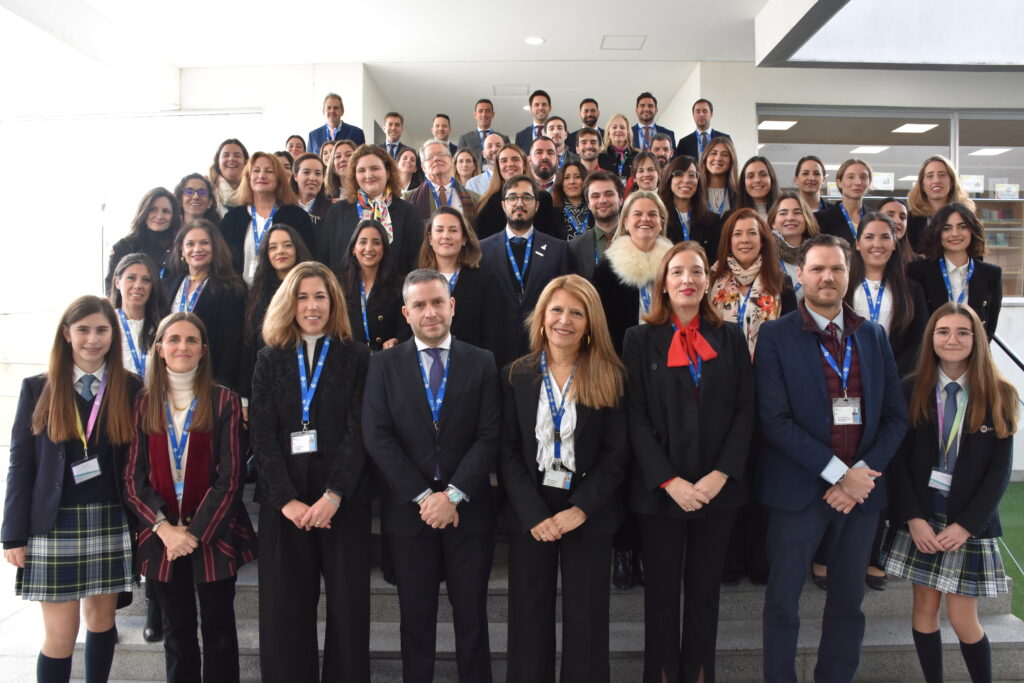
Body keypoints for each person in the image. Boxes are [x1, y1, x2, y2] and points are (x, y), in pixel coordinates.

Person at [756, 233, 907, 683]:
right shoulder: (775, 335)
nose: (827, 277)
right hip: (797, 494)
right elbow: (775, 420)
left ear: (849, 274)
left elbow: (895, 417)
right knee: (782, 602)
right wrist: (839, 474)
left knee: (848, 603)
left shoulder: (873, 335)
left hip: (861, 497)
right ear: (799, 275)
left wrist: (860, 475)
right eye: (817, 269)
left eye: (837, 269)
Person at [623, 242, 755, 683]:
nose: (687, 279)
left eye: (696, 271)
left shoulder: (731, 337)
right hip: (662, 493)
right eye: (677, 271)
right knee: (661, 596)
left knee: (704, 596)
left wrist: (721, 474)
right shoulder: (638, 339)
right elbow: (634, 416)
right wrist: (668, 480)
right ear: (663, 281)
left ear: (708, 281)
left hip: (717, 490)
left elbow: (745, 410)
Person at [362, 269, 501, 683]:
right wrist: (425, 498)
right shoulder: (384, 365)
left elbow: (490, 434)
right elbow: (377, 436)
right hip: (410, 516)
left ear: (452, 306)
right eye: (420, 305)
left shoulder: (483, 361)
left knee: (473, 618)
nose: (430, 312)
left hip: (469, 514)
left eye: (438, 302)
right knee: (416, 621)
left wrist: (452, 495)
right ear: (406, 313)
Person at [3, 295, 140, 683]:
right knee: (60, 636)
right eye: (83, 330)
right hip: (54, 524)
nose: (92, 339)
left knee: (101, 622)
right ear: (66, 334)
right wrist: (12, 534)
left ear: (113, 335)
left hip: (110, 519)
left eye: (101, 330)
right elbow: (21, 465)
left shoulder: (130, 388)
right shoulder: (38, 388)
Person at [500, 275, 627, 683]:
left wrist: (581, 509)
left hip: (588, 512)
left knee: (587, 619)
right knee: (528, 616)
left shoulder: (610, 375)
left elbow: (617, 456)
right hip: (531, 513)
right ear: (541, 317)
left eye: (577, 312)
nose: (565, 320)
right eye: (556, 310)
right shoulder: (516, 375)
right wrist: (534, 514)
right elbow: (507, 452)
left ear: (590, 323)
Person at [883, 303, 1017, 683]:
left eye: (962, 332)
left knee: (962, 618)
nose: (952, 339)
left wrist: (966, 526)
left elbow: (999, 472)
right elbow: (898, 462)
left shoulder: (999, 393)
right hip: (922, 516)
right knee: (924, 608)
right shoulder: (910, 389)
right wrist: (912, 518)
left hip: (966, 520)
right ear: (931, 339)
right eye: (943, 331)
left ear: (976, 339)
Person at [251, 261, 371, 682]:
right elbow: (262, 436)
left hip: (343, 503)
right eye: (302, 296)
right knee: (284, 614)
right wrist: (285, 500)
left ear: (334, 301)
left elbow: (361, 431)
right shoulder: (269, 359)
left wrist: (334, 495)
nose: (312, 305)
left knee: (349, 611)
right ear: (289, 302)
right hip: (285, 507)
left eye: (320, 295)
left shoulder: (357, 357)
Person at [124, 312, 256, 683]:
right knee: (177, 634)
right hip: (161, 538)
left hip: (213, 534)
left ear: (203, 350)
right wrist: (166, 530)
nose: (182, 346)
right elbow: (133, 479)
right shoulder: (143, 403)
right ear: (160, 349)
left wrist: (193, 533)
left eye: (192, 340)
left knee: (219, 632)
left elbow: (231, 477)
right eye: (174, 339)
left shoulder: (224, 400)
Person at [479, 175, 571, 368]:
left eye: (527, 198)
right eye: (512, 197)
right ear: (503, 205)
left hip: (543, 349)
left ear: (536, 205)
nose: (519, 203)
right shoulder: (482, 251)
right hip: (496, 352)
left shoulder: (558, 249)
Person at [316, 144, 424, 276]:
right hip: (346, 293)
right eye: (361, 170)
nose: (369, 175)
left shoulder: (408, 212)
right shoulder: (338, 211)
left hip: (395, 293)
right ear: (354, 175)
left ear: (388, 172)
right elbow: (324, 257)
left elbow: (416, 261)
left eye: (375, 168)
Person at [164, 220, 247, 390]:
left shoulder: (231, 288)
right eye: (190, 244)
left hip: (209, 378)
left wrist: (223, 382)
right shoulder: (167, 285)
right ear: (182, 249)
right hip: (167, 377)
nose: (197, 249)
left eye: (204, 243)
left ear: (215, 247)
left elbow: (232, 341)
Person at [238, 224, 313, 405]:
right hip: (267, 382)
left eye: (287, 245)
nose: (280, 251)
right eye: (273, 247)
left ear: (297, 249)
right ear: (266, 254)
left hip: (307, 378)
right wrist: (244, 397)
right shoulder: (257, 293)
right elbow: (250, 344)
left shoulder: (313, 286)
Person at [592, 191, 673, 356]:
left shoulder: (674, 264)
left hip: (669, 353)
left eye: (652, 214)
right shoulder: (607, 267)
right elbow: (597, 323)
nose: (645, 219)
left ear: (661, 222)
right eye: (638, 214)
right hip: (622, 356)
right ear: (626, 222)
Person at [848, 212, 929, 377]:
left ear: (894, 243)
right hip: (849, 379)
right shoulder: (842, 288)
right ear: (857, 244)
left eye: (885, 237)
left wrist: (891, 373)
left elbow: (918, 342)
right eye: (869, 237)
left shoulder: (912, 291)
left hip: (896, 380)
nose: (877, 244)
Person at [708, 208, 795, 357]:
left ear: (762, 241)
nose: (745, 240)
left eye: (752, 233)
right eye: (737, 234)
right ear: (729, 242)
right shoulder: (713, 281)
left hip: (767, 370)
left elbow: (790, 336)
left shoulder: (781, 282)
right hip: (722, 370)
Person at [908, 203, 1002, 339]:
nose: (955, 233)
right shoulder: (917, 271)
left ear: (972, 230)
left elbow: (989, 327)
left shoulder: (991, 274)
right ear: (937, 232)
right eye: (947, 228)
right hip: (928, 354)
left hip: (974, 355)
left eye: (962, 227)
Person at [219, 151, 315, 285]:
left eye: (269, 171)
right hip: (239, 299)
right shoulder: (232, 219)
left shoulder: (297, 217)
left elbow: (306, 261)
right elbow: (222, 264)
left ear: (279, 178)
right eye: (256, 171)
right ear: (248, 177)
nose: (261, 175)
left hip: (283, 295)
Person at [418, 206, 503, 354]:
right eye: (439, 230)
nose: (446, 236)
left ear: (464, 238)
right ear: (430, 238)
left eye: (453, 230)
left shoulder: (486, 282)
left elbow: (493, 337)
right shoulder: (416, 282)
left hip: (471, 368)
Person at [340, 219, 411, 352]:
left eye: (376, 243)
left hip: (386, 360)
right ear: (353, 249)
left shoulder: (400, 285)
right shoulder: (338, 285)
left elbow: (406, 330)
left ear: (384, 249)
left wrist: (397, 341)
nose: (369, 248)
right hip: (350, 361)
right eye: (363, 242)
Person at [475, 144, 563, 241]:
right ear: (498, 168)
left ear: (524, 165)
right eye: (504, 160)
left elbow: (551, 238)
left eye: (515, 159)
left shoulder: (543, 198)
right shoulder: (487, 203)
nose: (510, 164)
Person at [106, 187, 181, 292]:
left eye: (166, 211)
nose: (159, 216)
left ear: (173, 216)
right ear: (144, 211)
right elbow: (111, 289)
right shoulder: (123, 247)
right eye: (152, 209)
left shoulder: (181, 248)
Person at [110, 253, 167, 380]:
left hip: (156, 398)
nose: (138, 285)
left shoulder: (163, 325)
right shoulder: (106, 323)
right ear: (117, 282)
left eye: (146, 280)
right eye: (131, 278)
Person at [906, 155, 976, 252]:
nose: (936, 180)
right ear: (922, 184)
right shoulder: (910, 219)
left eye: (942, 175)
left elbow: (976, 252)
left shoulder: (967, 216)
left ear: (951, 182)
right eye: (930, 176)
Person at [659, 155, 723, 258]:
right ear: (669, 179)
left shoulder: (713, 221)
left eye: (692, 175)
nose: (686, 180)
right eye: (679, 174)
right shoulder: (659, 219)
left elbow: (714, 259)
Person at [404, 139, 480, 226]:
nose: (436, 159)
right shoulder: (408, 199)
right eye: (430, 157)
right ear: (423, 167)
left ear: (451, 160)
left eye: (441, 154)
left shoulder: (475, 199)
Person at [570, 171, 624, 280]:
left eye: (609, 194)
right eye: (595, 196)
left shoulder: (638, 241)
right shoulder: (573, 248)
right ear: (589, 204)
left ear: (621, 200)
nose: (602, 200)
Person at [769, 191, 820, 299]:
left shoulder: (820, 254)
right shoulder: (765, 256)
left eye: (797, 212)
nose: (790, 218)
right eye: (783, 213)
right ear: (773, 223)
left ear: (806, 218)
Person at [814, 158, 872, 247]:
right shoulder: (821, 219)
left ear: (869, 183)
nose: (858, 182)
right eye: (851, 177)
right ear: (839, 182)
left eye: (863, 177)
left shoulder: (875, 217)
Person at [456, 98, 509, 165]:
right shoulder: (465, 139)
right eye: (480, 111)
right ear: (475, 115)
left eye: (487, 111)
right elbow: (459, 162)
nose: (484, 114)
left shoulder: (503, 138)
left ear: (493, 114)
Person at [551, 160, 590, 241]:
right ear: (561, 182)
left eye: (577, 177)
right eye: (567, 177)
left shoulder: (594, 209)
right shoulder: (552, 213)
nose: (572, 181)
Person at [700, 136, 739, 217]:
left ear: (731, 160)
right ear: (705, 158)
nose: (718, 158)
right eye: (713, 153)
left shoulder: (740, 192)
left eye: (724, 155)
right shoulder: (696, 191)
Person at [208, 139, 249, 215]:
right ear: (218, 162)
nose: (231, 159)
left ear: (246, 162)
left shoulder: (254, 193)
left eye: (237, 156)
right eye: (226, 155)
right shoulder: (208, 191)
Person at [290, 153, 331, 224]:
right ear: (295, 176)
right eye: (306, 172)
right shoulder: (283, 206)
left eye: (318, 173)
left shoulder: (332, 209)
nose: (312, 178)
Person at [736, 156, 781, 220]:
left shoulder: (785, 212)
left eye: (763, 175)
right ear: (744, 182)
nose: (757, 180)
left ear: (771, 178)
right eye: (751, 176)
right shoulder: (735, 216)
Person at [597, 113, 637, 181]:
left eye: (622, 127)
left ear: (627, 132)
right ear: (608, 133)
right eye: (614, 127)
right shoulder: (600, 157)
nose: (618, 130)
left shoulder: (637, 156)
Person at [877, 197, 916, 263]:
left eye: (902, 217)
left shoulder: (916, 262)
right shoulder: (863, 258)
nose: (898, 221)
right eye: (890, 215)